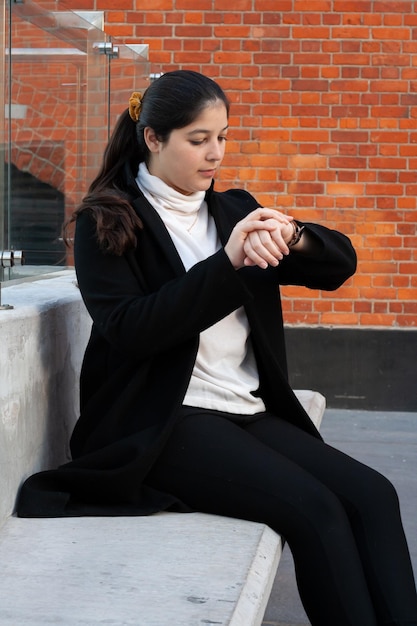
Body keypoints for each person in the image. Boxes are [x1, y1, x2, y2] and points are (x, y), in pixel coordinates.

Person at [17, 70, 417, 626]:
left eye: (223, 137)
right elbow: (132, 328)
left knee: (373, 496)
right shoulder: (108, 221)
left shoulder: (234, 210)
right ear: (153, 139)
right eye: (198, 140)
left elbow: (338, 267)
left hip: (246, 410)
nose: (215, 154)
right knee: (316, 511)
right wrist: (226, 263)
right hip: (162, 423)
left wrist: (295, 233)